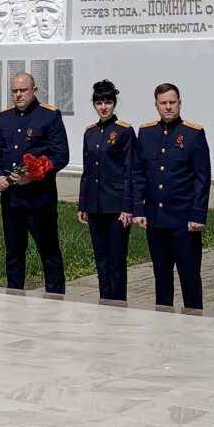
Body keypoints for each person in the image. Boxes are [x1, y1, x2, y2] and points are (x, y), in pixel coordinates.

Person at [133, 83, 210, 309]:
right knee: (161, 277)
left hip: (183, 221)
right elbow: (139, 173)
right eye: (163, 103)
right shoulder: (146, 133)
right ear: (156, 106)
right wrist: (138, 209)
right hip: (156, 219)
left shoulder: (193, 134)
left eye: (172, 102)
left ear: (180, 103)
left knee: (189, 277)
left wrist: (198, 214)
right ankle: (164, 325)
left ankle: (194, 323)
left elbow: (202, 177)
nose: (168, 107)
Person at [0, 71, 70, 292]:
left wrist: (33, 175)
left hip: (39, 199)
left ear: (34, 90)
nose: (18, 95)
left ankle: (55, 298)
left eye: (23, 90)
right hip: (12, 199)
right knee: (14, 253)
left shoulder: (49, 116)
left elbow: (60, 155)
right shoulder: (5, 117)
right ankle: (14, 296)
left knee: (49, 252)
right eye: (14, 91)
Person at [77, 79, 136, 302]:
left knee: (116, 258)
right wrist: (83, 203)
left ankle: (118, 301)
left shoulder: (124, 131)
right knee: (100, 257)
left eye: (108, 102)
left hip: (116, 205)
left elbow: (130, 170)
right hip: (95, 204)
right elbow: (87, 170)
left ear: (114, 104)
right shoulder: (90, 133)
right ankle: (105, 299)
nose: (104, 107)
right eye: (99, 102)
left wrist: (127, 205)